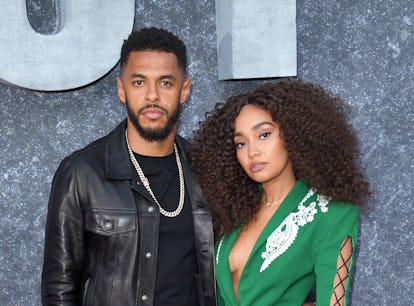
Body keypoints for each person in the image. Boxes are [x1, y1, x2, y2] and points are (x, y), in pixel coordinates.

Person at [41, 27, 217, 306]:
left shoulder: (206, 170)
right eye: (138, 82)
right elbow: (59, 286)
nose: (152, 96)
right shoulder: (81, 173)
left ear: (184, 90)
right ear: (121, 90)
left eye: (166, 83)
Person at [190, 79, 371, 306]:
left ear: (292, 134)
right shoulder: (233, 209)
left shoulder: (332, 212)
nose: (252, 152)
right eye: (240, 143)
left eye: (264, 135)